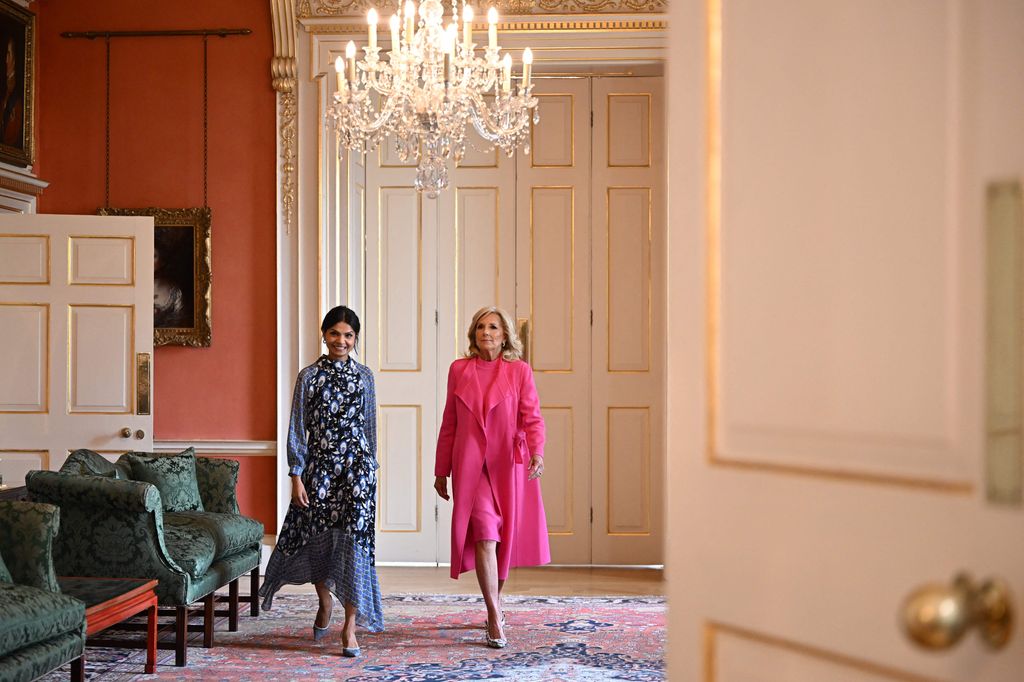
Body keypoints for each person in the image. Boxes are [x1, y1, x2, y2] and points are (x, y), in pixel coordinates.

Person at [259, 306, 383, 656]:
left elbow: (369, 425)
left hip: (358, 472)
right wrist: (296, 475)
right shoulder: (309, 376)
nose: (341, 341)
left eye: (348, 335)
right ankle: (325, 602)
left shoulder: (365, 377)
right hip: (321, 470)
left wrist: (372, 467)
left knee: (356, 545)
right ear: (324, 335)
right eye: (335, 334)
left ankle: (350, 627)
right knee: (319, 540)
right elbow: (298, 428)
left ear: (355, 339)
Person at [434, 306, 549, 649]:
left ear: (505, 335)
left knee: (503, 538)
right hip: (471, 466)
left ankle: (494, 606)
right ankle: (494, 614)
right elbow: (450, 423)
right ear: (474, 334)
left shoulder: (519, 371)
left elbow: (533, 418)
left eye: (494, 327)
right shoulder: (459, 370)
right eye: (481, 327)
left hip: (506, 464)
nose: (487, 332)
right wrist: (441, 470)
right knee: (485, 533)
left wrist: (538, 452)